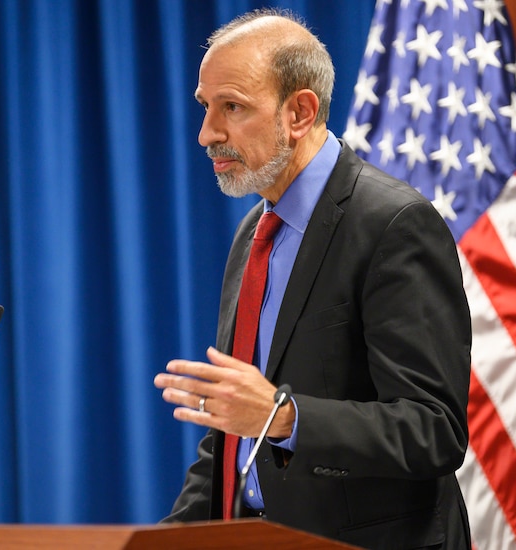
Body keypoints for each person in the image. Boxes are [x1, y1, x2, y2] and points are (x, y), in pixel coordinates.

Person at [153, 8, 472, 549]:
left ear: (299, 112)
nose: (207, 134)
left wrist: (286, 416)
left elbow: (433, 430)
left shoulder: (394, 224)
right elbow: (233, 437)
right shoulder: (254, 233)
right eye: (206, 108)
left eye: (232, 107)